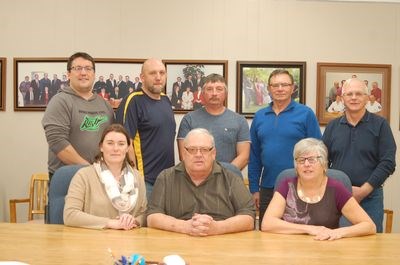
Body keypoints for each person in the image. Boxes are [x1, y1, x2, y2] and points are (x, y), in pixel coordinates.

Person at [261, 138, 376, 240]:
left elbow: (369, 226)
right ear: (296, 165)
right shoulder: (287, 185)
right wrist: (309, 229)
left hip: (324, 249)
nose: (306, 164)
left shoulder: (336, 189)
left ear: (323, 164)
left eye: (312, 159)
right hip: (289, 250)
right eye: (301, 160)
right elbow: (267, 223)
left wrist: (338, 232)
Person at [147, 128, 255, 236]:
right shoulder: (166, 178)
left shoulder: (231, 178)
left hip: (221, 241)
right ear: (184, 153)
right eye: (192, 149)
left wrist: (218, 228)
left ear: (213, 153)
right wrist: (184, 227)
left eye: (204, 149)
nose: (198, 154)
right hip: (177, 241)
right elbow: (152, 216)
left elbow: (249, 217)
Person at [248, 69, 321, 229]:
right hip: (268, 188)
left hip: (300, 187)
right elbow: (254, 157)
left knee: (300, 233)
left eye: (284, 84)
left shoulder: (306, 114)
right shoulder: (260, 116)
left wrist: (316, 185)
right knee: (268, 233)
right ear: (269, 88)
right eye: (275, 85)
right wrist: (254, 189)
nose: (280, 89)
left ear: (292, 87)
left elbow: (318, 152)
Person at [322, 78, 396, 232]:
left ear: (367, 98)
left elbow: (388, 162)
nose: (354, 97)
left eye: (358, 94)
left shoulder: (381, 125)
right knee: (337, 245)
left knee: (371, 246)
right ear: (342, 99)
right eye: (349, 94)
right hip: (337, 198)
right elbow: (322, 161)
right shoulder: (332, 127)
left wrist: (363, 191)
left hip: (371, 197)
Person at [42, 52, 114, 178]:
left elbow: (113, 139)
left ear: (94, 74)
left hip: (100, 177)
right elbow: (57, 142)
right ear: (69, 74)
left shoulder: (105, 105)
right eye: (78, 68)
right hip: (68, 178)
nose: (83, 73)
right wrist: (90, 170)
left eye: (88, 68)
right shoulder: (60, 101)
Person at [64, 124, 147, 230]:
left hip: (129, 241)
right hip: (93, 242)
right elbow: (70, 215)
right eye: (110, 143)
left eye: (121, 144)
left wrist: (134, 220)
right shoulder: (83, 176)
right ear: (101, 147)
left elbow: (145, 214)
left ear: (127, 148)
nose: (115, 148)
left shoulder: (137, 177)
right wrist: (109, 223)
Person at [116, 58, 175, 200]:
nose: (158, 77)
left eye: (162, 72)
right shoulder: (133, 100)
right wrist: (135, 178)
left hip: (167, 179)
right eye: (153, 73)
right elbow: (124, 141)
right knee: (143, 222)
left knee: (162, 221)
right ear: (142, 77)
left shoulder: (166, 100)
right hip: (144, 181)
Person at [177, 74, 250, 177]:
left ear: (225, 93)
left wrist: (222, 176)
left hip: (229, 181)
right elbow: (184, 155)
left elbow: (244, 156)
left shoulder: (240, 120)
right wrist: (206, 177)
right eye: (209, 89)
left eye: (219, 89)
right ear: (203, 93)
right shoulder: (189, 119)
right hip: (196, 181)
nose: (214, 93)